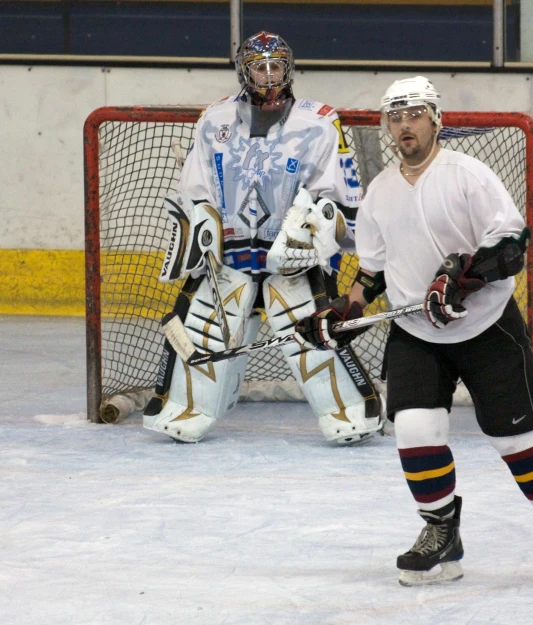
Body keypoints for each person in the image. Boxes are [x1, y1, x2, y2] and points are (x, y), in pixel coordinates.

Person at [294, 76, 533, 585]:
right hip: (416, 330)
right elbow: (375, 268)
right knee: (414, 431)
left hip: (486, 326)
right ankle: (441, 532)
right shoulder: (381, 193)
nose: (404, 125)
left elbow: (512, 246)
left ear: (435, 119)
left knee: (516, 438)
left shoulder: (468, 175)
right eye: (395, 116)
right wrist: (349, 307)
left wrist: (464, 277)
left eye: (414, 114)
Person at [143, 31, 383, 445]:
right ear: (244, 70)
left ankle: (349, 409)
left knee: (309, 330)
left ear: (289, 70)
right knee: (203, 329)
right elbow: (195, 188)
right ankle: (190, 406)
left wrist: (316, 229)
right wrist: (200, 225)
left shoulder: (320, 121)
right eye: (259, 66)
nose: (268, 75)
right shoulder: (213, 119)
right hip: (229, 259)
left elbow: (340, 195)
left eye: (276, 66)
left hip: (290, 261)